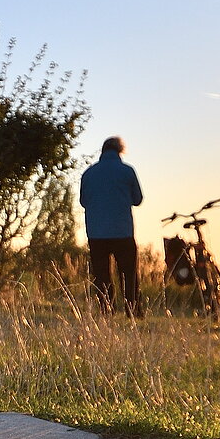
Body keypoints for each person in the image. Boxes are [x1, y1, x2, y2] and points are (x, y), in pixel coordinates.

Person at [78, 135, 144, 317]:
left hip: (96, 233)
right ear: (120, 150)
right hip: (122, 232)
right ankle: (133, 311)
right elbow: (138, 199)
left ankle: (107, 310)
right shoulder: (127, 171)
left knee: (102, 275)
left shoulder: (89, 173)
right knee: (128, 274)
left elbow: (83, 201)